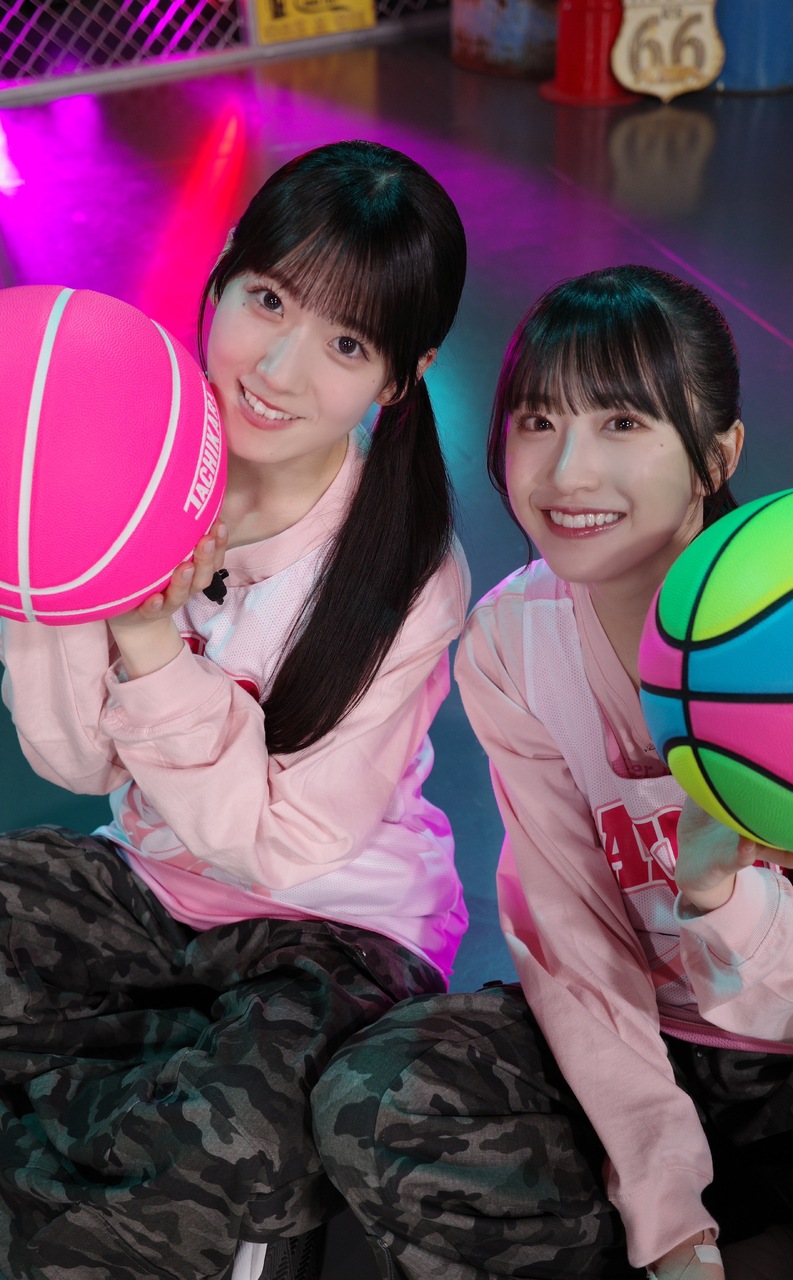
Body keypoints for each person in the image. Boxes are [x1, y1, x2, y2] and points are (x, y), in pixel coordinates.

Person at [312, 266, 793, 1280]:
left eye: (620, 422)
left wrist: (722, 900)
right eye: (537, 420)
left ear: (716, 454)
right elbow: (572, 942)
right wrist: (669, 1214)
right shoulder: (513, 641)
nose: (567, 470)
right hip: (635, 1051)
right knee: (376, 1094)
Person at [0, 139, 470, 1280]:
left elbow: (278, 845)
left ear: (399, 378)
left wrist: (151, 639)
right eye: (268, 299)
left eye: (347, 344)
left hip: (333, 926)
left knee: (236, 1128)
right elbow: (74, 763)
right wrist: (51, 555)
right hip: (154, 883)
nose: (278, 368)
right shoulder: (126, 450)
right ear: (221, 276)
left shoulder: (407, 574)